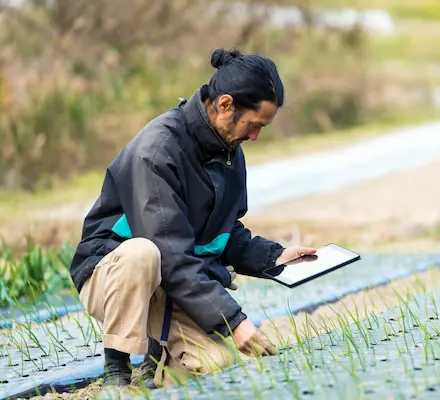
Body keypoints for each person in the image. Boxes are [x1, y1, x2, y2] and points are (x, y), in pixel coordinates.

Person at [69, 47, 317, 393]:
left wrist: (274, 257)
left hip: (169, 279)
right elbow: (170, 253)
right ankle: (118, 366)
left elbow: (222, 231)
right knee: (143, 253)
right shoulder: (157, 151)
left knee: (215, 365)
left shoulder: (229, 152)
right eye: (254, 125)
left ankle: (158, 360)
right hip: (114, 272)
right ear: (226, 105)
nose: (255, 136)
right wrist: (234, 322)